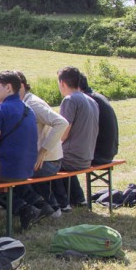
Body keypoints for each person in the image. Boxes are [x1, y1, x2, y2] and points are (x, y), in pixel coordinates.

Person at [0, 71, 51, 228]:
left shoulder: (0, 110)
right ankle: (38, 203)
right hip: (27, 169)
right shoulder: (28, 110)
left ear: (8, 88)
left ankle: (22, 209)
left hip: (7, 170)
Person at [17, 72, 69, 214]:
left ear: (21, 86)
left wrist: (43, 151)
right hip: (47, 160)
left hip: (48, 162)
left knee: (13, 174)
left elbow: (61, 122)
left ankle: (42, 208)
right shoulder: (26, 102)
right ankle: (50, 205)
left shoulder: (32, 103)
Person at [52, 66, 100, 211]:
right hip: (87, 157)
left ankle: (61, 203)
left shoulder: (70, 100)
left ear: (62, 83)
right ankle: (78, 198)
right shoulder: (91, 100)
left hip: (73, 158)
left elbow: (64, 132)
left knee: (46, 165)